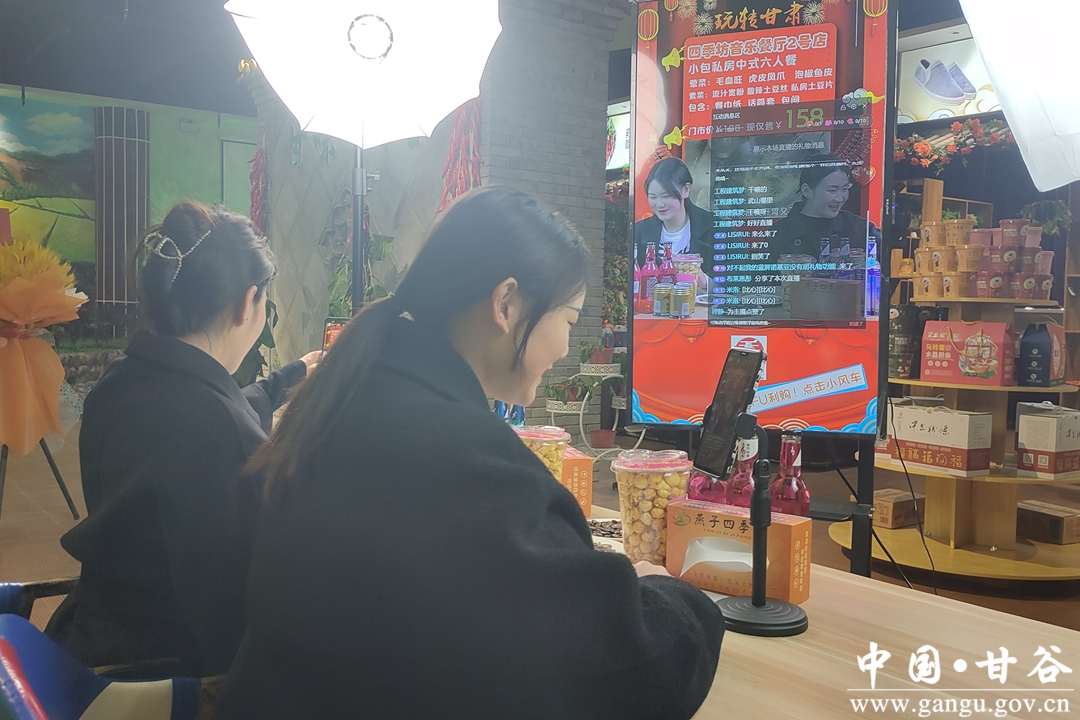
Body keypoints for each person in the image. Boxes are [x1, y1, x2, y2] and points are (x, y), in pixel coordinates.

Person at [215, 187, 725, 719]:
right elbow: (627, 670)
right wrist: (674, 597)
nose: (565, 348)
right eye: (570, 321)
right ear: (506, 304)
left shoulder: (350, 402)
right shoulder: (463, 461)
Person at [45, 202, 319, 677]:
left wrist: (290, 377)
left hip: (85, 641)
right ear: (247, 303)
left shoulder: (120, 382)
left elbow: (198, 417)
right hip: (158, 675)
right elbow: (234, 616)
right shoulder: (216, 430)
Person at [771, 154, 881, 257]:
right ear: (807, 191)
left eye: (844, 189)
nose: (840, 198)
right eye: (832, 190)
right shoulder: (779, 233)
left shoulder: (860, 229)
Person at [633, 157, 711, 288]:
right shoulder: (638, 233)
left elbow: (741, 280)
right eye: (653, 197)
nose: (659, 204)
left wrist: (705, 282)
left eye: (666, 196)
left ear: (686, 190)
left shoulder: (713, 227)